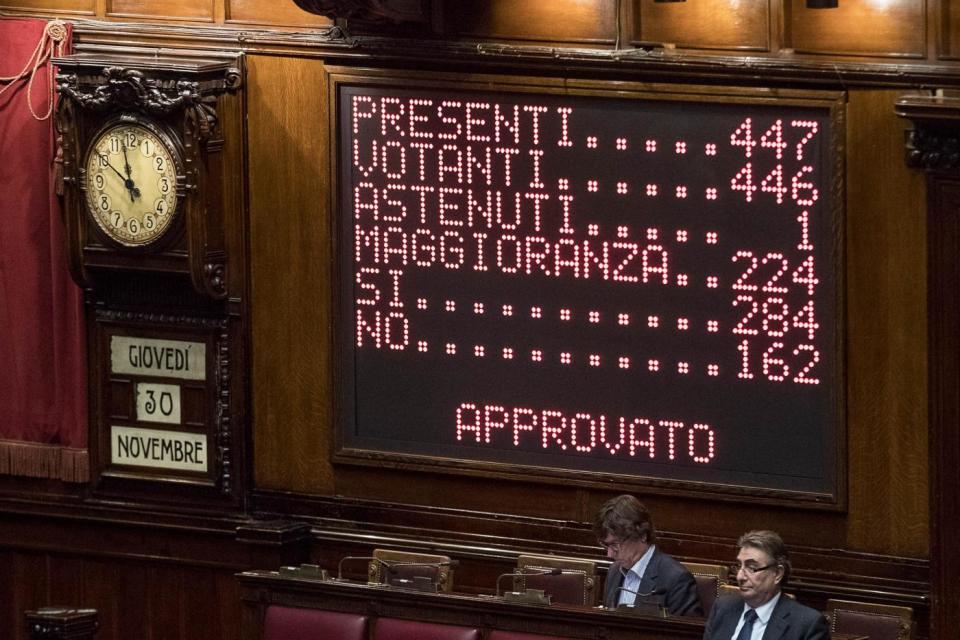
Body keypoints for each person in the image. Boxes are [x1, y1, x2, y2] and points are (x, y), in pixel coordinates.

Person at [703, 530, 829, 640]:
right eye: (739, 566)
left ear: (777, 573)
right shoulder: (723, 608)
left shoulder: (806, 624)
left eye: (752, 568)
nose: (740, 576)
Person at [594, 494, 702, 616]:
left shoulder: (676, 579)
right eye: (606, 545)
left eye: (615, 544)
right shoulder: (615, 571)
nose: (609, 554)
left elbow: (686, 633)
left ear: (642, 535)